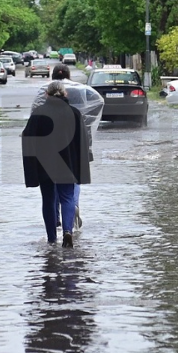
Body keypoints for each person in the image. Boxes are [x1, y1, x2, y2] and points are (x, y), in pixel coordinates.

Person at [32, 63, 103, 231]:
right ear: (69, 75)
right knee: (73, 178)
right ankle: (72, 206)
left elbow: (35, 114)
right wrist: (88, 124)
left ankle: (56, 217)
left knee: (51, 185)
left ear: (52, 78)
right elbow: (99, 101)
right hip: (76, 142)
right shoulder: (80, 91)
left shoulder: (44, 93)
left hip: (49, 146)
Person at [22, 81, 91, 247]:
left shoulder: (38, 113)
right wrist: (82, 163)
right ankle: (68, 231)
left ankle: (52, 238)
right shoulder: (74, 113)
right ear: (65, 94)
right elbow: (82, 140)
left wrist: (31, 167)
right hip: (68, 164)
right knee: (67, 197)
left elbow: (28, 139)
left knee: (48, 199)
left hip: (44, 165)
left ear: (47, 94)